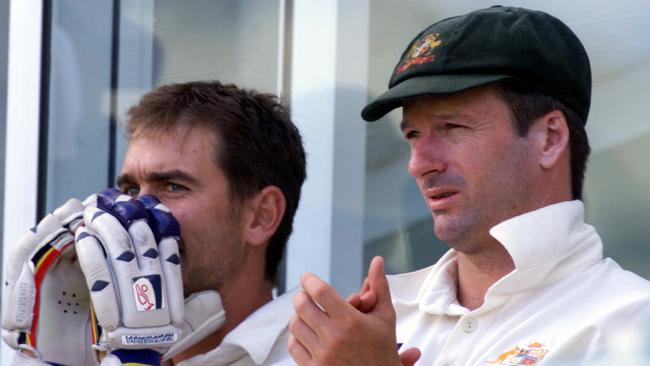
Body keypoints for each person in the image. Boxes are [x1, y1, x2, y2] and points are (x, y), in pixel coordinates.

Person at [288, 6, 650, 365]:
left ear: (550, 139)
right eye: (413, 135)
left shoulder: (631, 320)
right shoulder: (372, 326)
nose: (419, 164)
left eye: (452, 127)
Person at [2, 81, 306, 365]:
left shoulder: (319, 357)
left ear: (261, 216)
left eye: (173, 186)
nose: (135, 210)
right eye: (131, 189)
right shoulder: (103, 352)